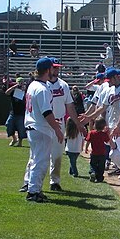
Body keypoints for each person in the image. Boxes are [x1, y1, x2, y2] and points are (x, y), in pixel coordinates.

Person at [22, 57, 65, 202]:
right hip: (40, 128)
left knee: (36, 159)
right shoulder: (41, 88)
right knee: (41, 161)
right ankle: (33, 192)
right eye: (52, 68)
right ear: (48, 70)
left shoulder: (33, 85)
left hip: (33, 126)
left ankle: (33, 188)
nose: (54, 70)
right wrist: (57, 130)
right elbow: (46, 112)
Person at [48, 58, 85, 191]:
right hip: (44, 123)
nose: (56, 70)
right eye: (54, 67)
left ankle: (54, 182)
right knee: (38, 155)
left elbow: (70, 106)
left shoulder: (63, 85)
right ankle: (29, 182)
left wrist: (78, 124)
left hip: (59, 122)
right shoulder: (42, 84)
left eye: (58, 67)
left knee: (57, 155)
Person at [4, 77, 28, 147]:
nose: (20, 84)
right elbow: (7, 93)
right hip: (13, 113)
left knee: (21, 129)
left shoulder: (25, 92)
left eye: (22, 83)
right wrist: (14, 87)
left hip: (21, 113)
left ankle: (20, 142)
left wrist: (24, 90)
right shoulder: (14, 92)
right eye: (19, 83)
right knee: (8, 125)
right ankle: (14, 139)